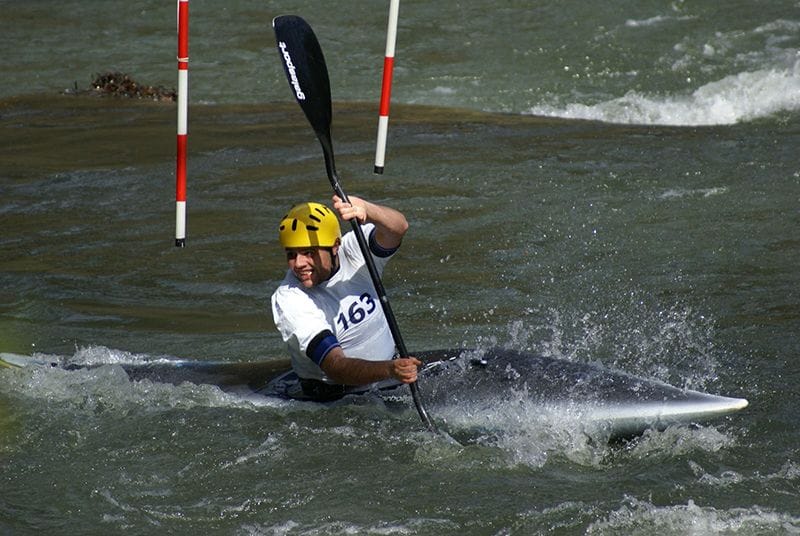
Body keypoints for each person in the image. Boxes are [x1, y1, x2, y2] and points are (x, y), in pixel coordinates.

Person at [271, 194, 421, 400]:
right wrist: (390, 370)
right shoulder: (290, 300)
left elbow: (398, 228)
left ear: (334, 246)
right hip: (336, 396)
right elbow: (335, 366)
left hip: (390, 373)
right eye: (291, 254)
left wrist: (368, 211)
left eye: (308, 252)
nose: (298, 263)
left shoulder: (354, 250)